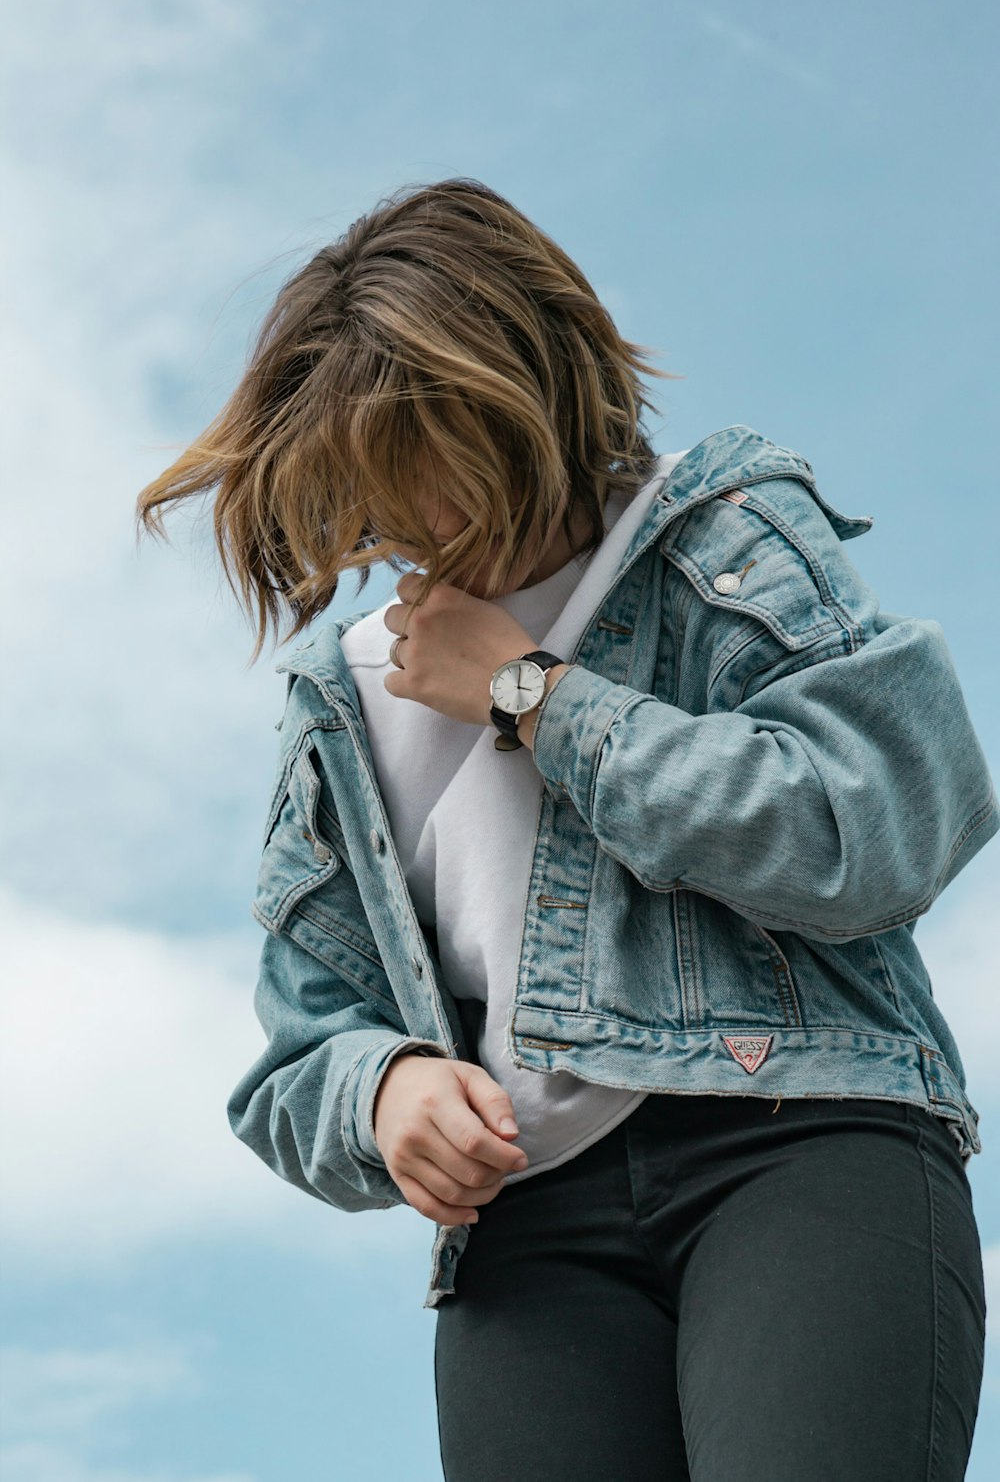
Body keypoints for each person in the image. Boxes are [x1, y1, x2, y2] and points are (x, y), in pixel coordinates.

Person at [134, 177, 997, 1482]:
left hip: (800, 1145)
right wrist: (386, 1090)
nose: (413, 530)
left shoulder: (724, 541)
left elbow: (887, 826)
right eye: (371, 498)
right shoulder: (343, 696)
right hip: (528, 1242)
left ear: (527, 388)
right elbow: (301, 1051)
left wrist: (533, 696)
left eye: (436, 472)